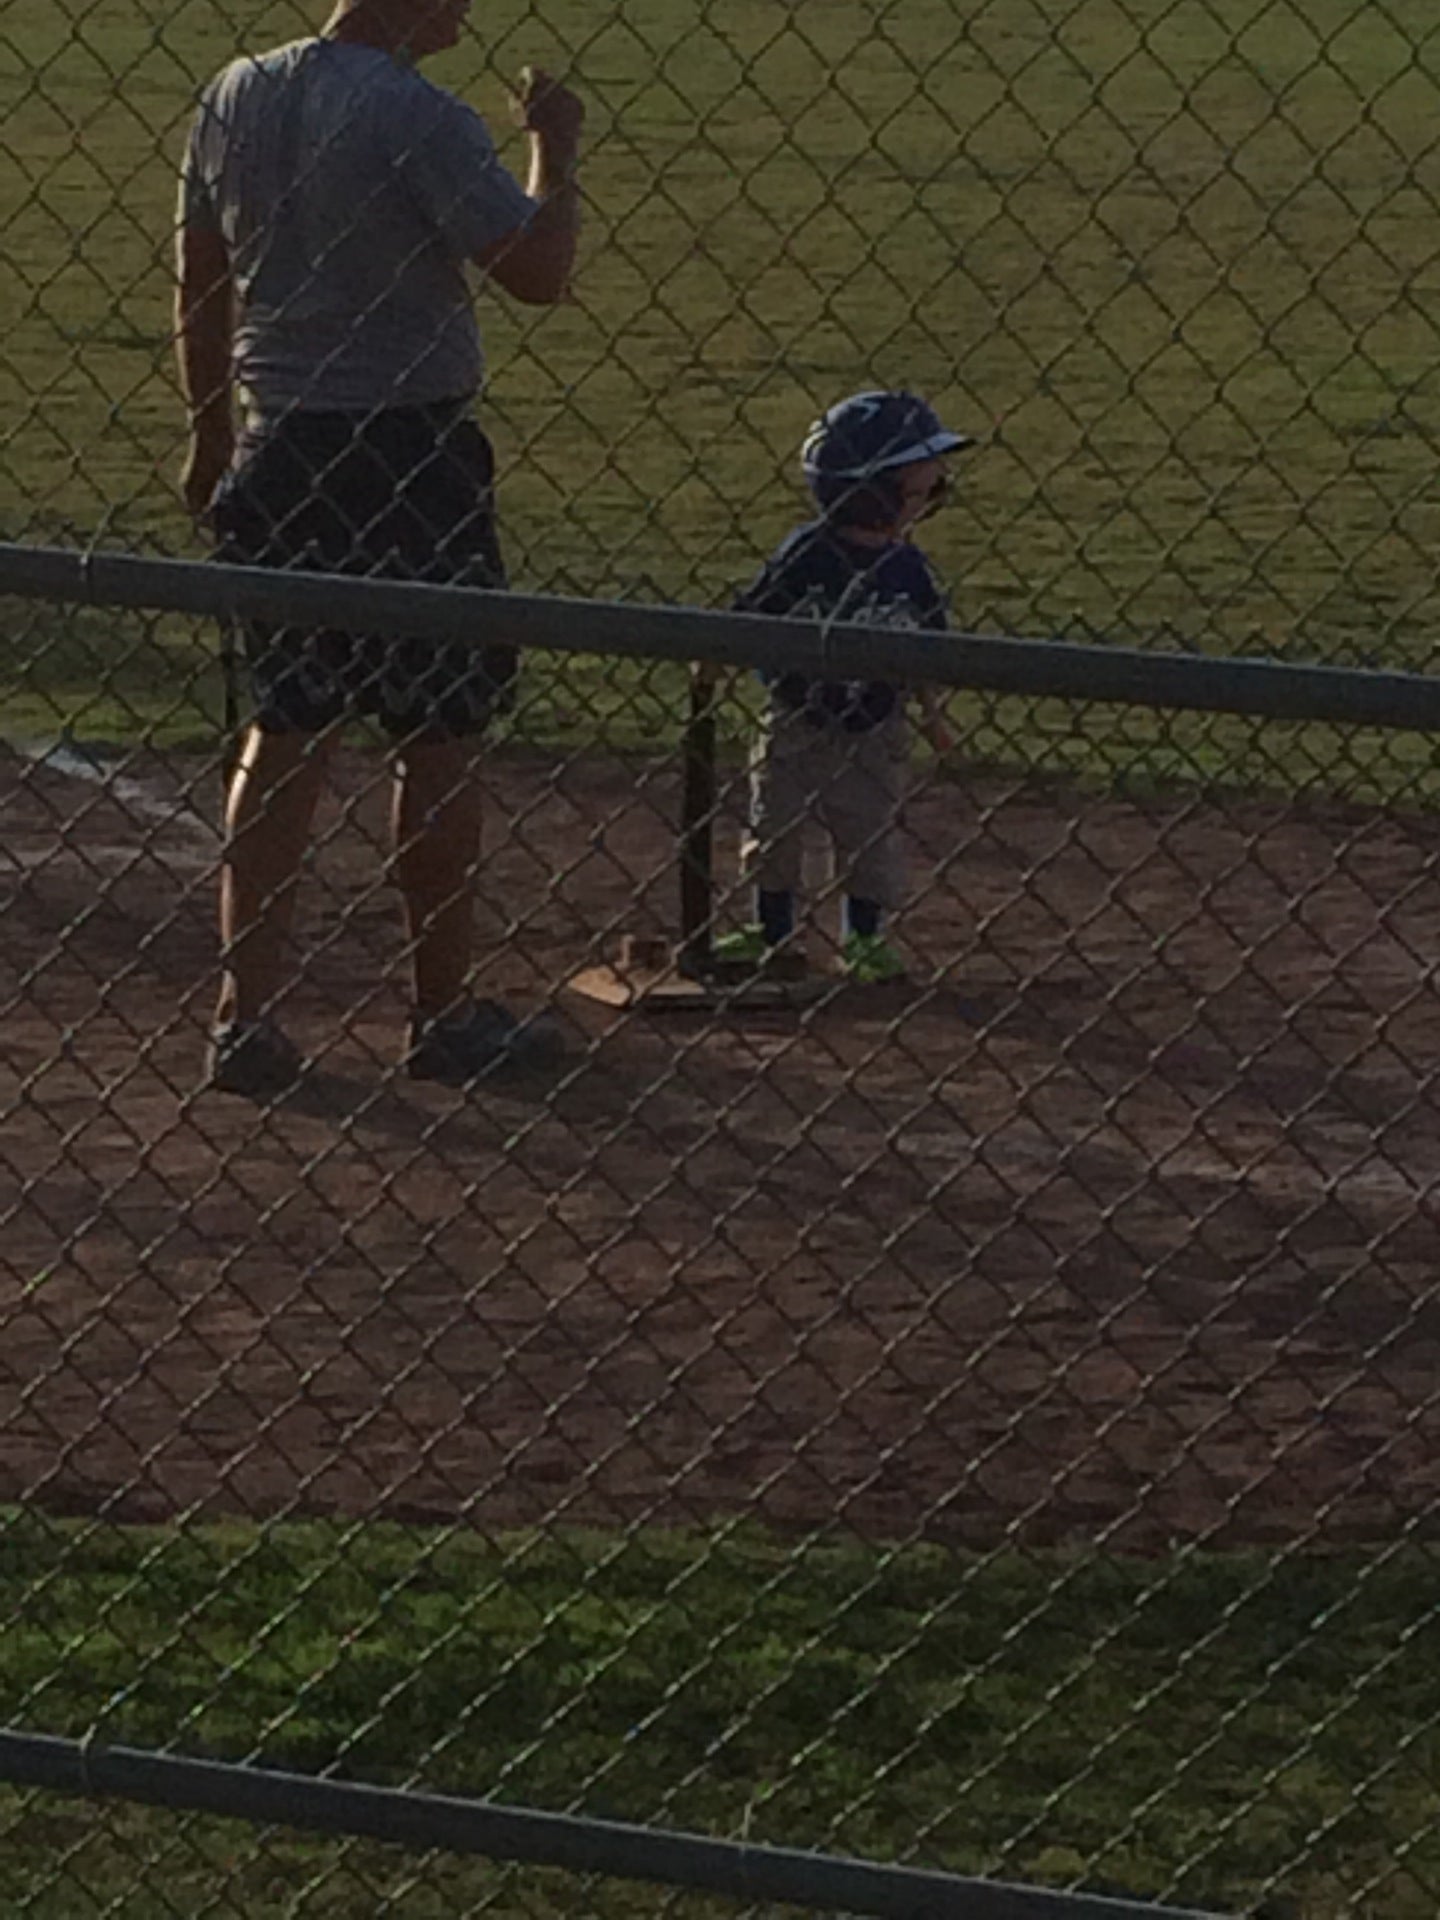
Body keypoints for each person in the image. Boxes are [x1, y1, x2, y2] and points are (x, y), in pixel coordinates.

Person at [175, 0, 583, 1095]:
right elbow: (539, 271)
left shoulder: (237, 91)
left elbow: (201, 277)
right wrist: (557, 143)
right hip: (412, 454)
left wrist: (212, 436)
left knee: (287, 725)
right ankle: (442, 1012)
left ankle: (244, 1019)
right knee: (439, 731)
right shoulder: (423, 116)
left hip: (281, 440)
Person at [716, 389, 972, 985]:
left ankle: (863, 939)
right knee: (773, 826)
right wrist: (716, 662)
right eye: (920, 472)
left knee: (867, 835)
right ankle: (770, 930)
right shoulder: (807, 553)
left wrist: (933, 715)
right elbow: (753, 613)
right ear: (873, 487)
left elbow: (927, 652)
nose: (936, 481)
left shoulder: (909, 569)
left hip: (875, 728)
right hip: (795, 717)